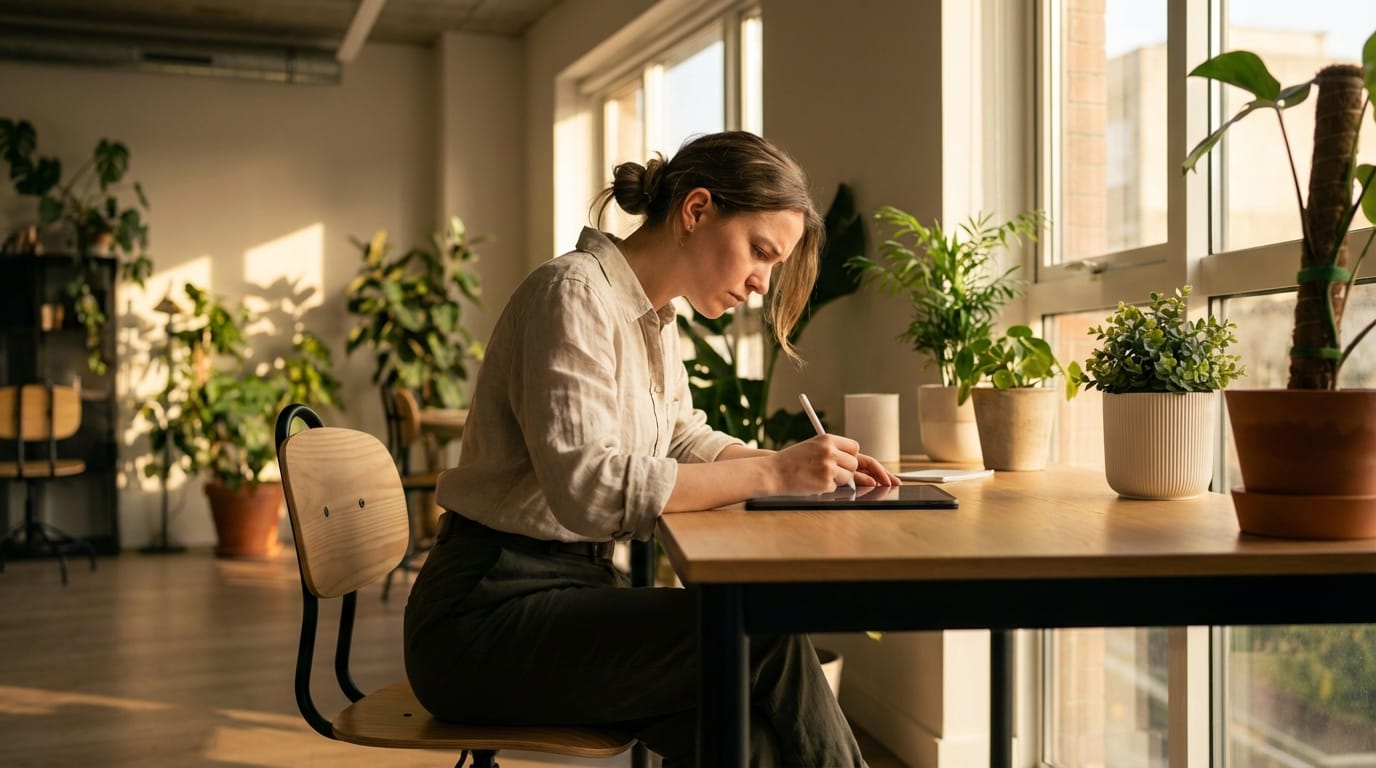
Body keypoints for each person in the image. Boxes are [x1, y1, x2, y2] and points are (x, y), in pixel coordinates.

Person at [403, 130, 899, 767]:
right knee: (760, 639)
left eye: (772, 265)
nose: (760, 283)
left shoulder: (654, 320)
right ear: (696, 211)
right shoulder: (573, 294)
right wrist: (774, 473)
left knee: (743, 738)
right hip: (482, 618)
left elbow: (682, 437)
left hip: (567, 596)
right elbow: (590, 488)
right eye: (760, 252)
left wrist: (806, 466)